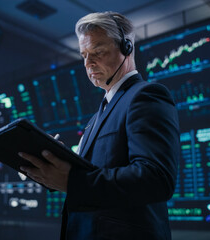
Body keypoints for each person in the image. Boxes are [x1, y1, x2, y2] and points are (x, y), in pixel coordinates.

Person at [19, 11, 180, 240]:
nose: (88, 63)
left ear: (126, 48)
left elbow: (155, 178)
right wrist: (53, 165)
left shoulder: (146, 95)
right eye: (84, 54)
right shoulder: (97, 116)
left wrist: (72, 180)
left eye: (98, 52)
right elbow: (95, 176)